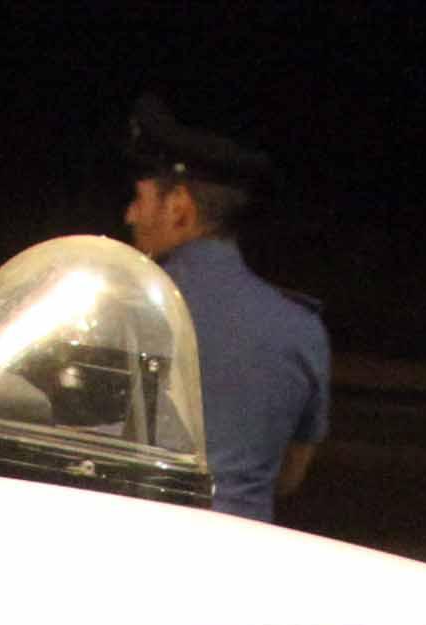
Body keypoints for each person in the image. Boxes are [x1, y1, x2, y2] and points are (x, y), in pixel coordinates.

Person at [121, 93, 329, 522]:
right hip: (240, 565)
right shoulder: (301, 329)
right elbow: (288, 476)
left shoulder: (121, 307)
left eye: (140, 199)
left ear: (179, 209)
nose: (129, 215)